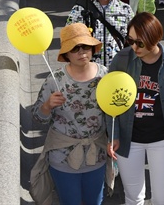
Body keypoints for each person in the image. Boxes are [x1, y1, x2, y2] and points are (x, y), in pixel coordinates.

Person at [107, 13, 164, 205]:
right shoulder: (122, 60)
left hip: (163, 139)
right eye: (130, 40)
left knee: (163, 199)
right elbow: (109, 99)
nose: (134, 47)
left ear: (156, 38)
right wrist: (114, 134)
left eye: (140, 43)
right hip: (129, 139)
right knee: (133, 198)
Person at [30, 24, 108, 205]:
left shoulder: (105, 75)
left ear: (92, 48)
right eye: (75, 48)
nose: (81, 52)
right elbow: (37, 117)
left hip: (96, 154)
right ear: (66, 53)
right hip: (62, 157)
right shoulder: (54, 79)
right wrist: (47, 106)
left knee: (95, 202)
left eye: (86, 46)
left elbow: (114, 113)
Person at [66, 0, 135, 66]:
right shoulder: (79, 10)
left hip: (117, 71)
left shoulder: (126, 9)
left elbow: (135, 41)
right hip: (88, 73)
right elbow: (68, 42)